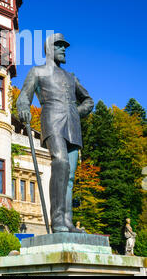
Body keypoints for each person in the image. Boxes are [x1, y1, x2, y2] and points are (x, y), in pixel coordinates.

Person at [17, 33, 94, 233]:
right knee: (60, 163)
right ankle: (57, 220)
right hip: (52, 120)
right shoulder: (38, 72)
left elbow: (88, 100)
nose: (64, 49)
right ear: (50, 49)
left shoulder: (71, 77)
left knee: (69, 176)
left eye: (64, 46)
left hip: (73, 125)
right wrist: (24, 107)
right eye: (59, 46)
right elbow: (23, 97)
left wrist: (77, 111)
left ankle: (67, 222)